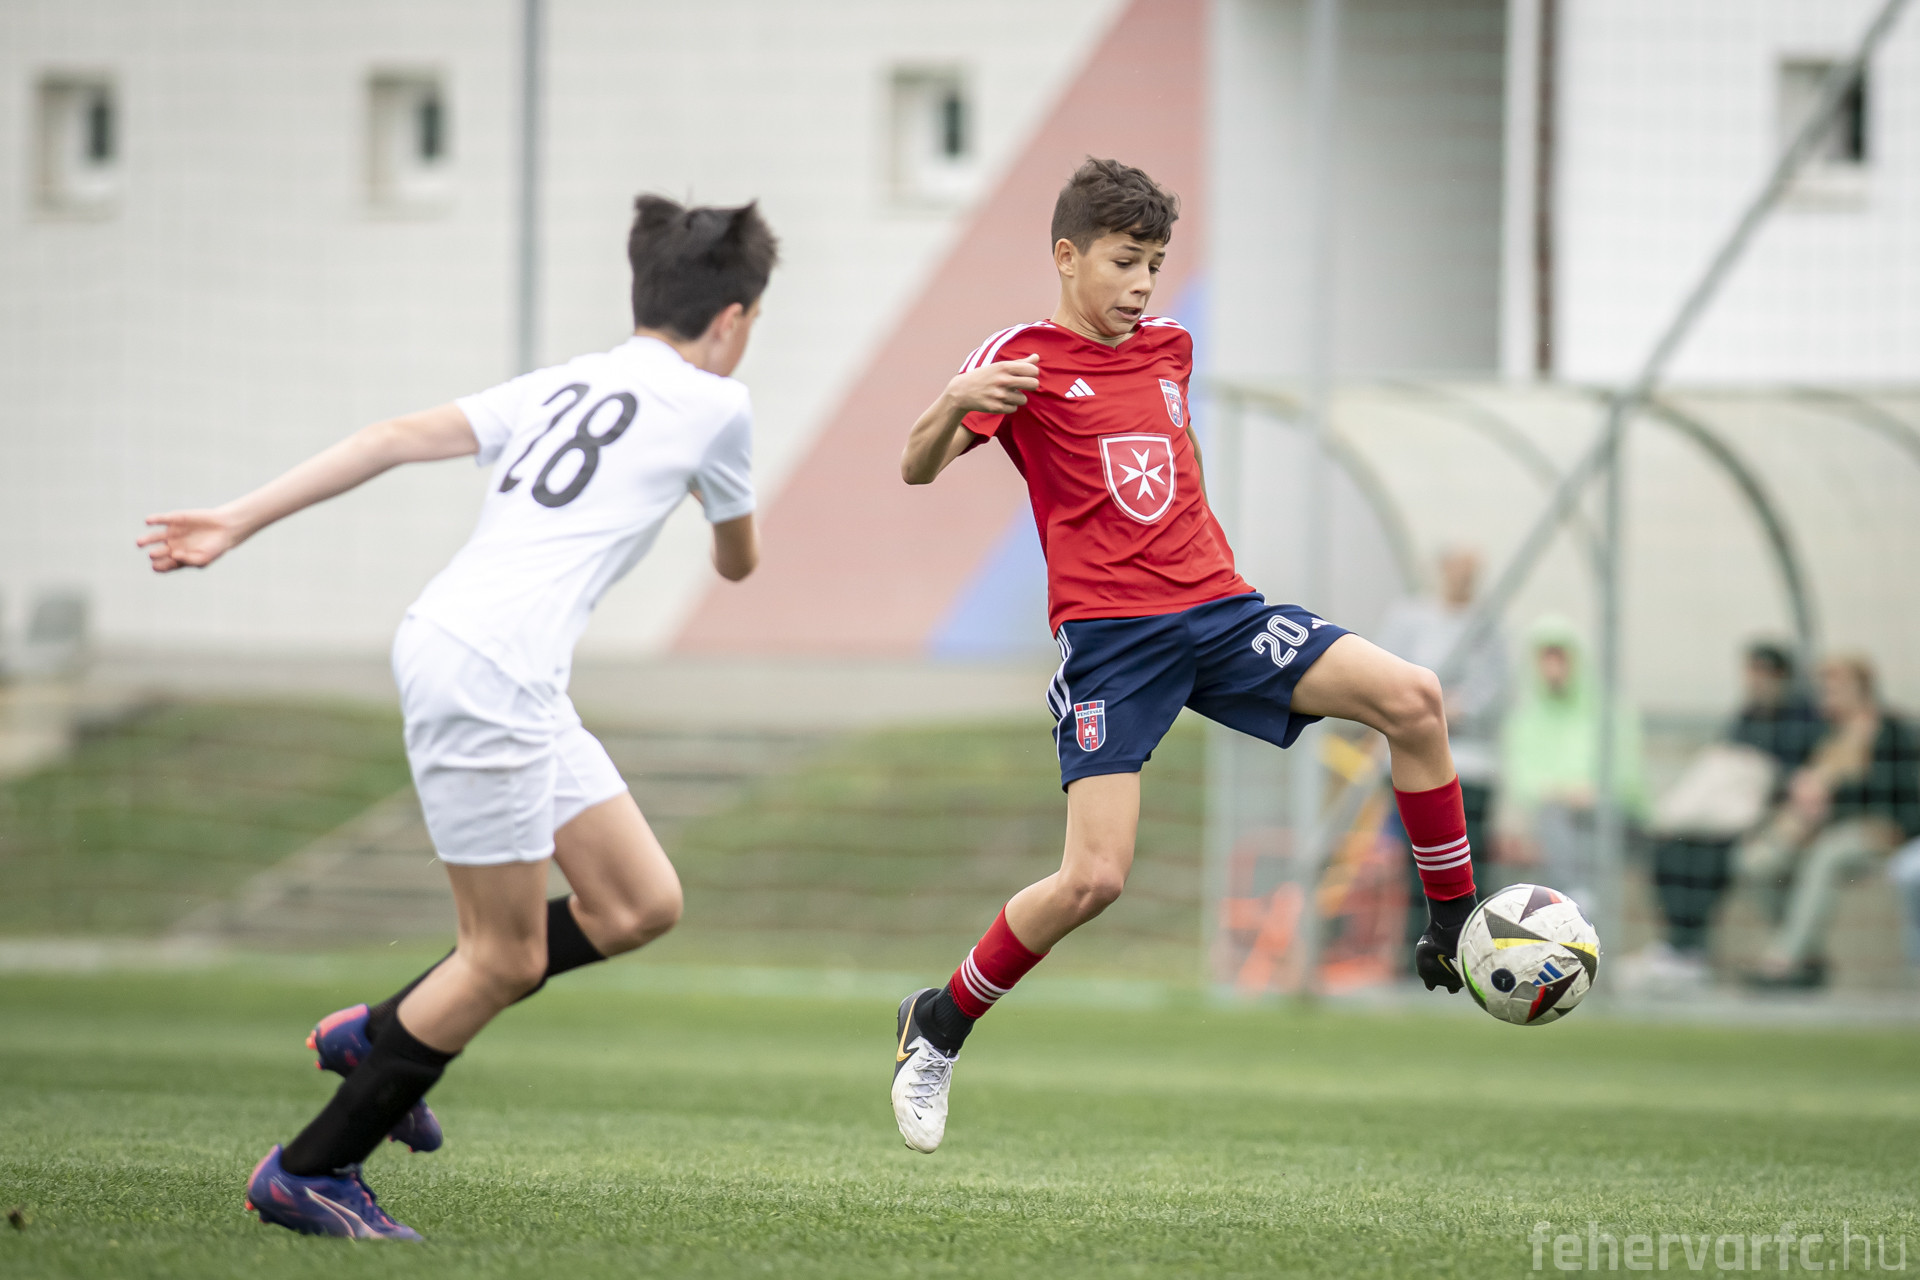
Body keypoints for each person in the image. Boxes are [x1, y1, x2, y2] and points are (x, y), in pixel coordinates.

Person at [136, 195, 777, 1238]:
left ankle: (383, 1029)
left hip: (484, 655)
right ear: (736, 317)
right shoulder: (721, 406)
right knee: (504, 956)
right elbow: (739, 562)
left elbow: (391, 437)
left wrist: (237, 519)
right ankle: (310, 1169)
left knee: (637, 902)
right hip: (492, 669)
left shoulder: (567, 380)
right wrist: (718, 509)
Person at [888, 158, 1477, 1155]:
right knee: (1094, 879)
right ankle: (938, 1023)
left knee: (1414, 698)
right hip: (1114, 644)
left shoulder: (1170, 349)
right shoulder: (1019, 359)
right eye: (1124, 261)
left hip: (1220, 614)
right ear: (1067, 256)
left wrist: (1210, 565)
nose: (1141, 284)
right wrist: (955, 398)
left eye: (1155, 264)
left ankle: (1454, 919)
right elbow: (915, 465)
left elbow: (1177, 458)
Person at [1637, 642, 1821, 985]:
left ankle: (1691, 948)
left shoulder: (1802, 719)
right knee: (1671, 850)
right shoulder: (1746, 715)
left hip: (1765, 820)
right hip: (1725, 817)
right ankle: (1680, 944)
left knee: (1714, 858)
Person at [1740, 655, 1920, 989]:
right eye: (1824, 688)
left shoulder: (1890, 729)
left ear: (1861, 689)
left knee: (1826, 854)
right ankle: (1808, 957)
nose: (1827, 696)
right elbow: (1792, 780)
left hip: (1879, 830)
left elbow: (1896, 793)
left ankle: (1783, 960)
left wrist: (1833, 794)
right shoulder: (1823, 732)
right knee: (1756, 861)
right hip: (1822, 827)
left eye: (1835, 688)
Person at [1375, 549, 1508, 966]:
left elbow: (1497, 691)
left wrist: (1443, 710)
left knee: (1470, 868)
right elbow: (1383, 675)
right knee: (1414, 865)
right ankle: (1415, 953)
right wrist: (1425, 711)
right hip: (1413, 764)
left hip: (1472, 768)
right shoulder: (1409, 619)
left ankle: (1473, 955)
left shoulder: (1489, 628)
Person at [1497, 615, 1646, 912]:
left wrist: (1595, 790)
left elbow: (1628, 769)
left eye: (1560, 658)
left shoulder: (1607, 709)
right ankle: (1576, 899)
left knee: (1586, 831)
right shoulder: (1526, 716)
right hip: (1554, 816)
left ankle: (1578, 902)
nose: (1553, 668)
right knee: (1556, 819)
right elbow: (1520, 777)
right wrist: (1559, 792)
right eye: (1546, 659)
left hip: (1608, 812)